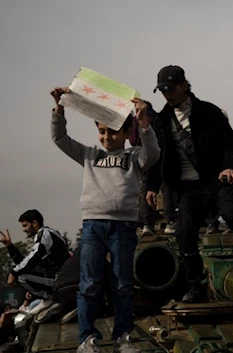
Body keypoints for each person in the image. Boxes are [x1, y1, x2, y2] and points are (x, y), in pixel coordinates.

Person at [146, 65, 233, 304]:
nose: (166, 94)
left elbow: (232, 145)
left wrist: (231, 167)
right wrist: (151, 185)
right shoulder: (161, 121)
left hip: (215, 180)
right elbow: (157, 155)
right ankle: (195, 285)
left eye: (170, 88)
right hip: (188, 188)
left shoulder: (209, 112)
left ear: (183, 86)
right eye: (162, 90)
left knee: (232, 213)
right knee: (184, 231)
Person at [50, 86, 160, 352]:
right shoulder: (89, 154)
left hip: (123, 227)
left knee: (122, 284)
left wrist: (143, 122)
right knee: (89, 283)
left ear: (125, 133)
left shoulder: (134, 156)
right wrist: (59, 109)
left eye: (113, 131)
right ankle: (87, 338)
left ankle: (123, 337)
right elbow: (60, 138)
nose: (107, 137)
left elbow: (153, 154)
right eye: (101, 131)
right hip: (93, 226)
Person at [132, 100, 179, 237]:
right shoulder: (157, 118)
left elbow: (133, 140)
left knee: (146, 189)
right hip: (162, 156)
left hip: (144, 158)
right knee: (167, 187)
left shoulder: (135, 120)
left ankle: (147, 224)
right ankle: (171, 219)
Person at [0, 210, 70, 300]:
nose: (23, 230)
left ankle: (50, 298)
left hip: (60, 277)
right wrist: (10, 246)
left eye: (25, 225)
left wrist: (14, 272)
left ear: (34, 223)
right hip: (54, 275)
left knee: (20, 276)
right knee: (21, 272)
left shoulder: (45, 233)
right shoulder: (45, 235)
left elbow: (34, 257)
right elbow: (27, 263)